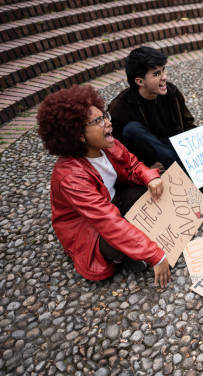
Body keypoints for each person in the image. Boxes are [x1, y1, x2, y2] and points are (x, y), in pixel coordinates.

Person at [37, 85, 171, 287]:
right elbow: (108, 223)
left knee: (150, 191)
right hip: (87, 226)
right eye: (98, 121)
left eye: (104, 116)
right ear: (78, 135)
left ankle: (133, 247)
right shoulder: (70, 177)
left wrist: (149, 176)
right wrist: (156, 256)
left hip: (111, 202)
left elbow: (133, 164)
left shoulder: (108, 144)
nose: (108, 122)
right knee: (112, 240)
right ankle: (124, 255)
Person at [109, 46, 203, 197]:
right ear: (140, 81)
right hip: (149, 155)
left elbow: (187, 123)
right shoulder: (120, 107)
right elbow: (120, 149)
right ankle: (192, 177)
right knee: (132, 129)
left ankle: (188, 168)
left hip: (173, 147)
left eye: (163, 70)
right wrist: (145, 167)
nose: (164, 77)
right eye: (156, 74)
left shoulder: (171, 92)